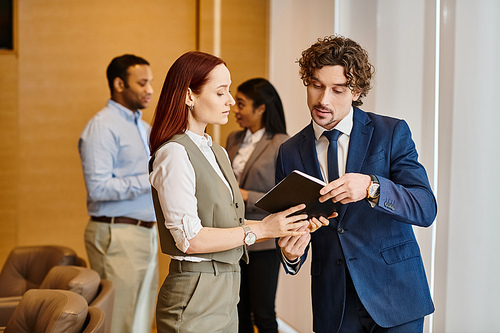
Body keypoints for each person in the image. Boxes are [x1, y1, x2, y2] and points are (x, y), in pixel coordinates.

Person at [148, 51, 322, 333]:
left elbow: (230, 224)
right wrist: (263, 230)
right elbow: (189, 239)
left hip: (228, 285)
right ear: (189, 96)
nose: (230, 101)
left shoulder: (217, 151)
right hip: (195, 291)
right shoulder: (174, 153)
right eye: (221, 92)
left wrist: (285, 225)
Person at [276, 35, 438, 333]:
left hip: (396, 295)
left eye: (337, 90)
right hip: (334, 304)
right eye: (316, 85)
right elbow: (287, 223)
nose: (323, 100)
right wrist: (290, 253)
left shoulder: (390, 133)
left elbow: (425, 207)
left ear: (356, 91)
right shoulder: (288, 152)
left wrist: (371, 188)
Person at [78, 54, 158, 333]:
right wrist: (150, 178)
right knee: (118, 321)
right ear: (119, 84)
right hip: (117, 234)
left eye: (151, 83)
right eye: (142, 83)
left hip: (146, 233)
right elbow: (99, 189)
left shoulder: (143, 127)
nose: (150, 89)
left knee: (140, 320)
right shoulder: (103, 126)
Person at [226, 78, 288, 333]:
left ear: (260, 108)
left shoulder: (282, 143)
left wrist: (244, 195)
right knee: (237, 311)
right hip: (232, 237)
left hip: (264, 241)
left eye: (241, 104)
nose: (234, 109)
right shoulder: (232, 139)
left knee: (262, 313)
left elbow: (285, 197)